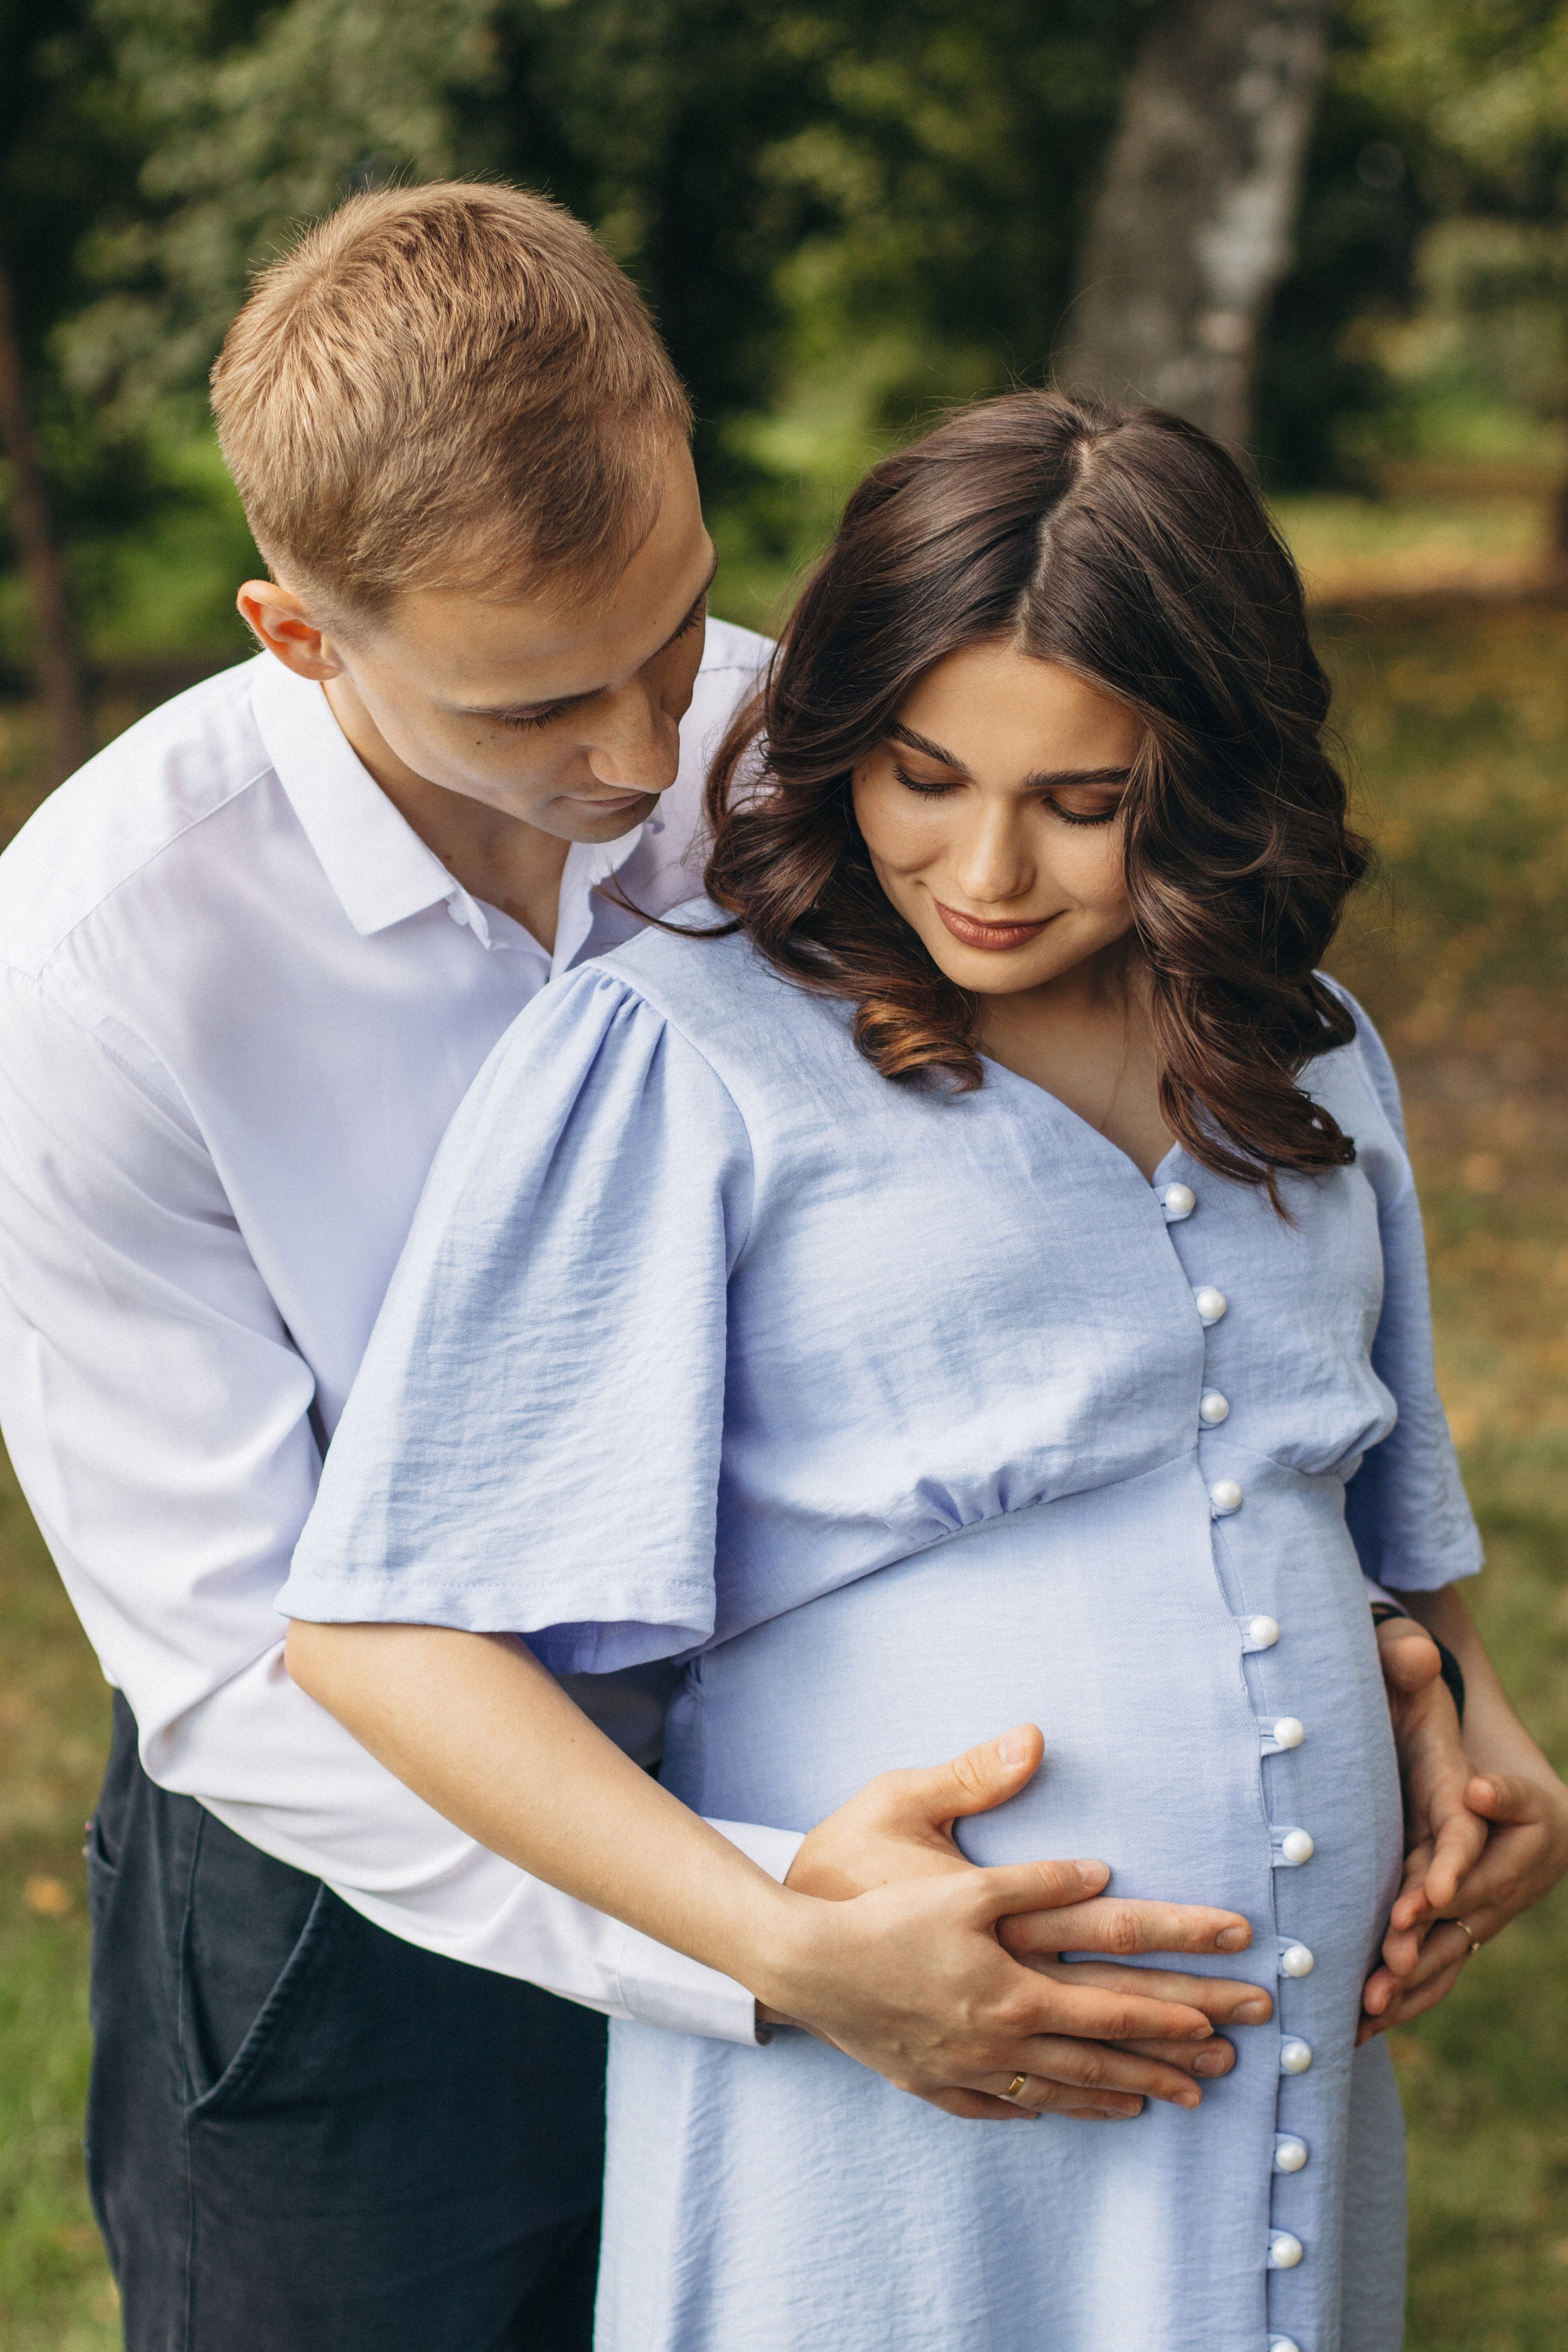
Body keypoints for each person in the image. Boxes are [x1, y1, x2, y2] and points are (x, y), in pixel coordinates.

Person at [0, 190, 1326, 2352]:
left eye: (671, 628)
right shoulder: (97, 973)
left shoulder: (818, 757)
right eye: (534, 707)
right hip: (374, 1929)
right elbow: (239, 1651)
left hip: (874, 1821)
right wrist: (753, 1933)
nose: (643, 761)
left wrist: (1380, 1625)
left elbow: (1134, 1182)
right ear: (299, 636)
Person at [284, 391, 1568, 2352]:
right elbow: (386, 1635)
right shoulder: (674, 1059)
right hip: (887, 2099)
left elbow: (1381, 1521)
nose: (986, 868)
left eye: (1085, 801)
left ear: (1207, 780)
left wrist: (1482, 1724)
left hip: (1281, 2104)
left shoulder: (1306, 1054)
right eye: (920, 774)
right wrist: (794, 1947)